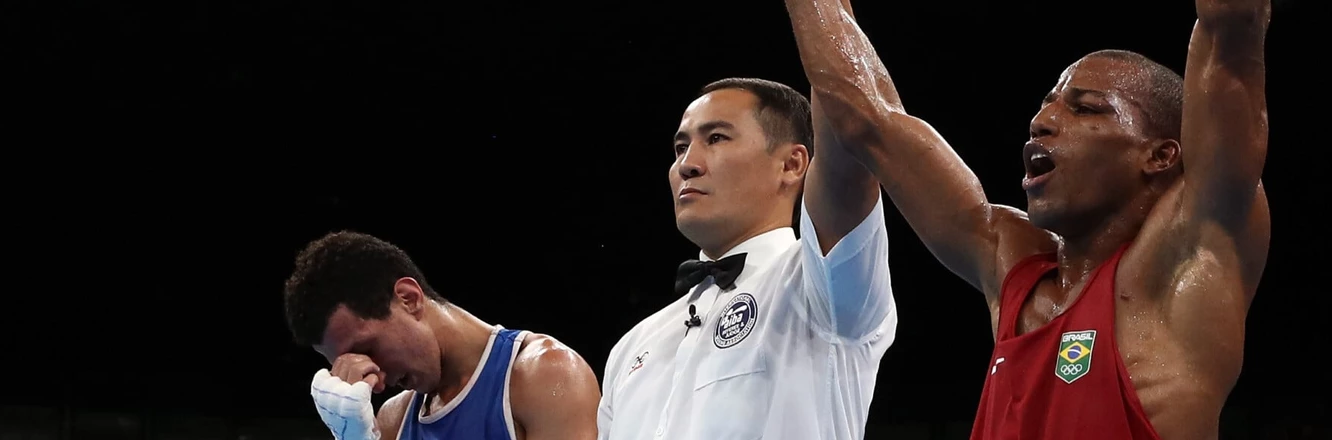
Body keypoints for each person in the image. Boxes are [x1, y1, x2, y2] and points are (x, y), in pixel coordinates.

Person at [783, 0, 1271, 438]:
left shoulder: (1189, 263)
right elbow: (867, 118)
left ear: (1161, 155)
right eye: (1048, 103)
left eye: (1086, 110)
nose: (1043, 121)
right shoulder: (1010, 263)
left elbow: (1231, 28)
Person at [596, 77, 896, 440]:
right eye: (679, 147)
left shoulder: (821, 287)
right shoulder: (631, 347)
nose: (687, 165)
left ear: (791, 164)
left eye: (716, 138)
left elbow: (849, 133)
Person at [284, 231, 602, 440]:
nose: (375, 379)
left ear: (409, 298)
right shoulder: (393, 419)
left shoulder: (544, 376)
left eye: (368, 349)